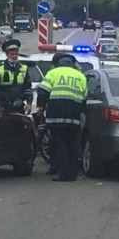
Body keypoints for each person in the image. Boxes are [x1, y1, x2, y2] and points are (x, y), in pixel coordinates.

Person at [36, 53, 88, 182]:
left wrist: (41, 108)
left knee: (59, 144)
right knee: (72, 144)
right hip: (73, 115)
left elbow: (43, 92)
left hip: (56, 113)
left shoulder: (53, 73)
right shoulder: (80, 76)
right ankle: (72, 173)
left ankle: (64, 174)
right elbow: (84, 97)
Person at [0, 38, 32, 112]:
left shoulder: (23, 68)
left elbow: (27, 87)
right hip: (3, 106)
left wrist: (28, 103)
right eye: (12, 54)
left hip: (18, 104)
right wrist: (4, 101)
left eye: (16, 54)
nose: (14, 56)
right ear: (7, 54)